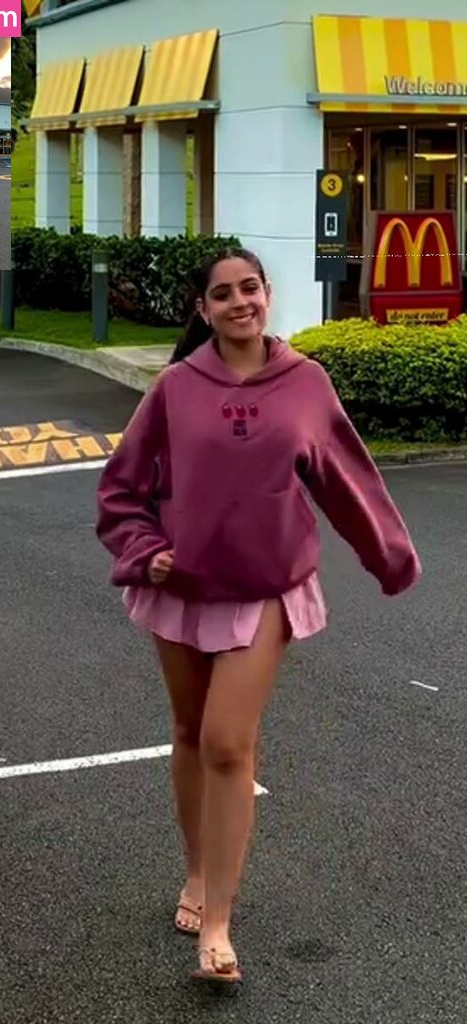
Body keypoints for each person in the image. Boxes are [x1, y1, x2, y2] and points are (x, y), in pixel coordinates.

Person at [95, 248, 421, 986]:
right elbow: (120, 488)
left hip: (266, 589)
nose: (240, 302)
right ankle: (197, 871)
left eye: (250, 287)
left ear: (267, 294)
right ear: (203, 309)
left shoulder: (305, 382)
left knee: (226, 741)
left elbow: (347, 480)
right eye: (223, 293)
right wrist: (145, 550)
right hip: (181, 586)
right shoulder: (176, 388)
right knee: (188, 731)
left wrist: (391, 559)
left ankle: (218, 924)